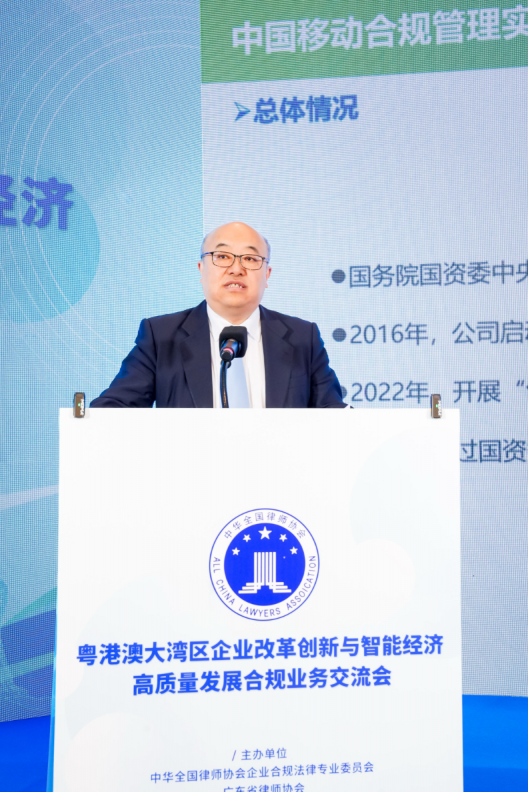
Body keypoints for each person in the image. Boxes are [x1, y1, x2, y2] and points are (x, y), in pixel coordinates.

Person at [91, 222, 346, 408]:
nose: (236, 269)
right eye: (222, 256)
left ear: (267, 275)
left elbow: (334, 417)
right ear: (201, 270)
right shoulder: (161, 337)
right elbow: (114, 409)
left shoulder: (303, 338)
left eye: (250, 258)